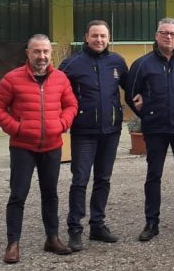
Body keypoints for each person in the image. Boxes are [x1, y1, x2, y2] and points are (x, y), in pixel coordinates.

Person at [0, 34, 78, 264]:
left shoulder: (60, 78)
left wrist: (61, 124)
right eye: (37, 51)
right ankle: (13, 244)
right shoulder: (12, 79)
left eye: (45, 51)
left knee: (50, 194)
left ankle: (52, 238)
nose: (42, 56)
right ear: (28, 53)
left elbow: (71, 105)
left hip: (52, 146)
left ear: (51, 53)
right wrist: (17, 128)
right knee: (18, 195)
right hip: (23, 147)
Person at [127, 17, 174, 241]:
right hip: (155, 128)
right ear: (156, 35)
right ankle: (151, 222)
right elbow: (131, 94)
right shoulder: (143, 63)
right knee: (154, 174)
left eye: (173, 33)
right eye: (164, 33)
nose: (168, 37)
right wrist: (146, 113)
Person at [59, 20, 130, 252]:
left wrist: (142, 105)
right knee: (80, 180)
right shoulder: (72, 64)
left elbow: (131, 90)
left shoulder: (117, 62)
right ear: (86, 37)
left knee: (103, 179)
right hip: (84, 132)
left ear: (109, 38)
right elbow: (57, 93)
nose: (99, 40)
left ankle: (97, 225)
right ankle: (75, 229)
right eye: (95, 36)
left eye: (103, 36)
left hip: (111, 131)